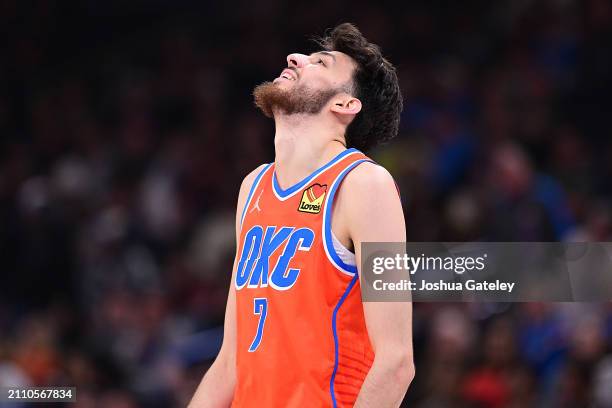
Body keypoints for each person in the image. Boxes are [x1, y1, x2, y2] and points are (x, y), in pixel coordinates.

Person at [189, 23, 414, 407]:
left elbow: (396, 362)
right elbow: (230, 361)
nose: (294, 58)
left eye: (320, 63)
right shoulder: (254, 187)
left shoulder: (364, 185)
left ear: (345, 104)